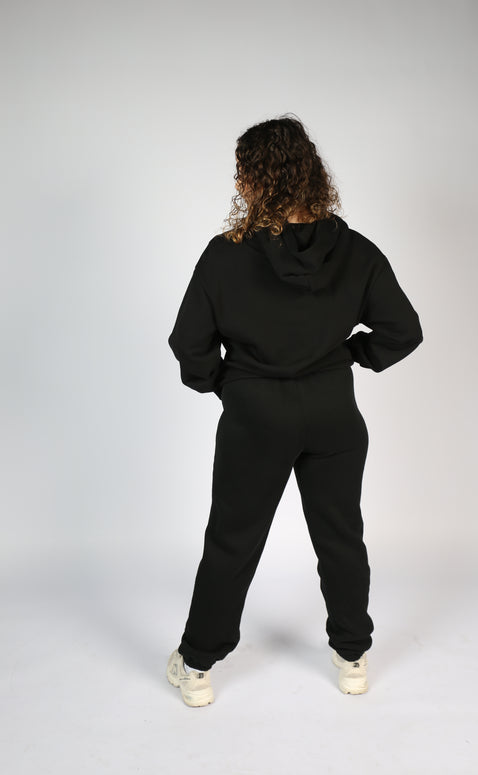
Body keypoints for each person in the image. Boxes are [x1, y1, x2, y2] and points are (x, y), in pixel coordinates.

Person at [165, 114, 423, 707]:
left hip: (256, 415)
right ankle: (353, 657)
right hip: (333, 413)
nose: (239, 183)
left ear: (257, 180)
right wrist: (348, 355)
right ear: (310, 172)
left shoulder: (225, 256)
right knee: (341, 537)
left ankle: (197, 665)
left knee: (233, 540)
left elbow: (190, 344)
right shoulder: (355, 251)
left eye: (242, 173)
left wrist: (225, 384)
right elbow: (403, 330)